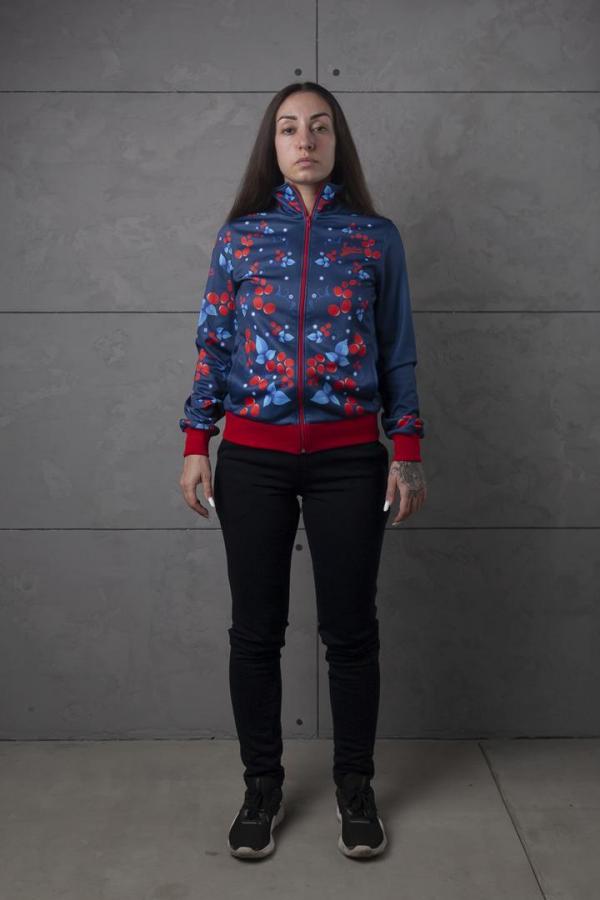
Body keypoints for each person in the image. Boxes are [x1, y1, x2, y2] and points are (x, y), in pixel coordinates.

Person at [179, 81, 427, 860]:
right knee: (255, 632)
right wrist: (196, 441)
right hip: (251, 459)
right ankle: (261, 785)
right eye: (289, 128)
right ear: (274, 144)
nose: (305, 140)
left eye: (319, 127)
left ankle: (356, 786)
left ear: (336, 141)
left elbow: (397, 350)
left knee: (351, 632)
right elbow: (214, 344)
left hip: (350, 460)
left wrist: (408, 451)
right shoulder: (241, 239)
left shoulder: (376, 239)